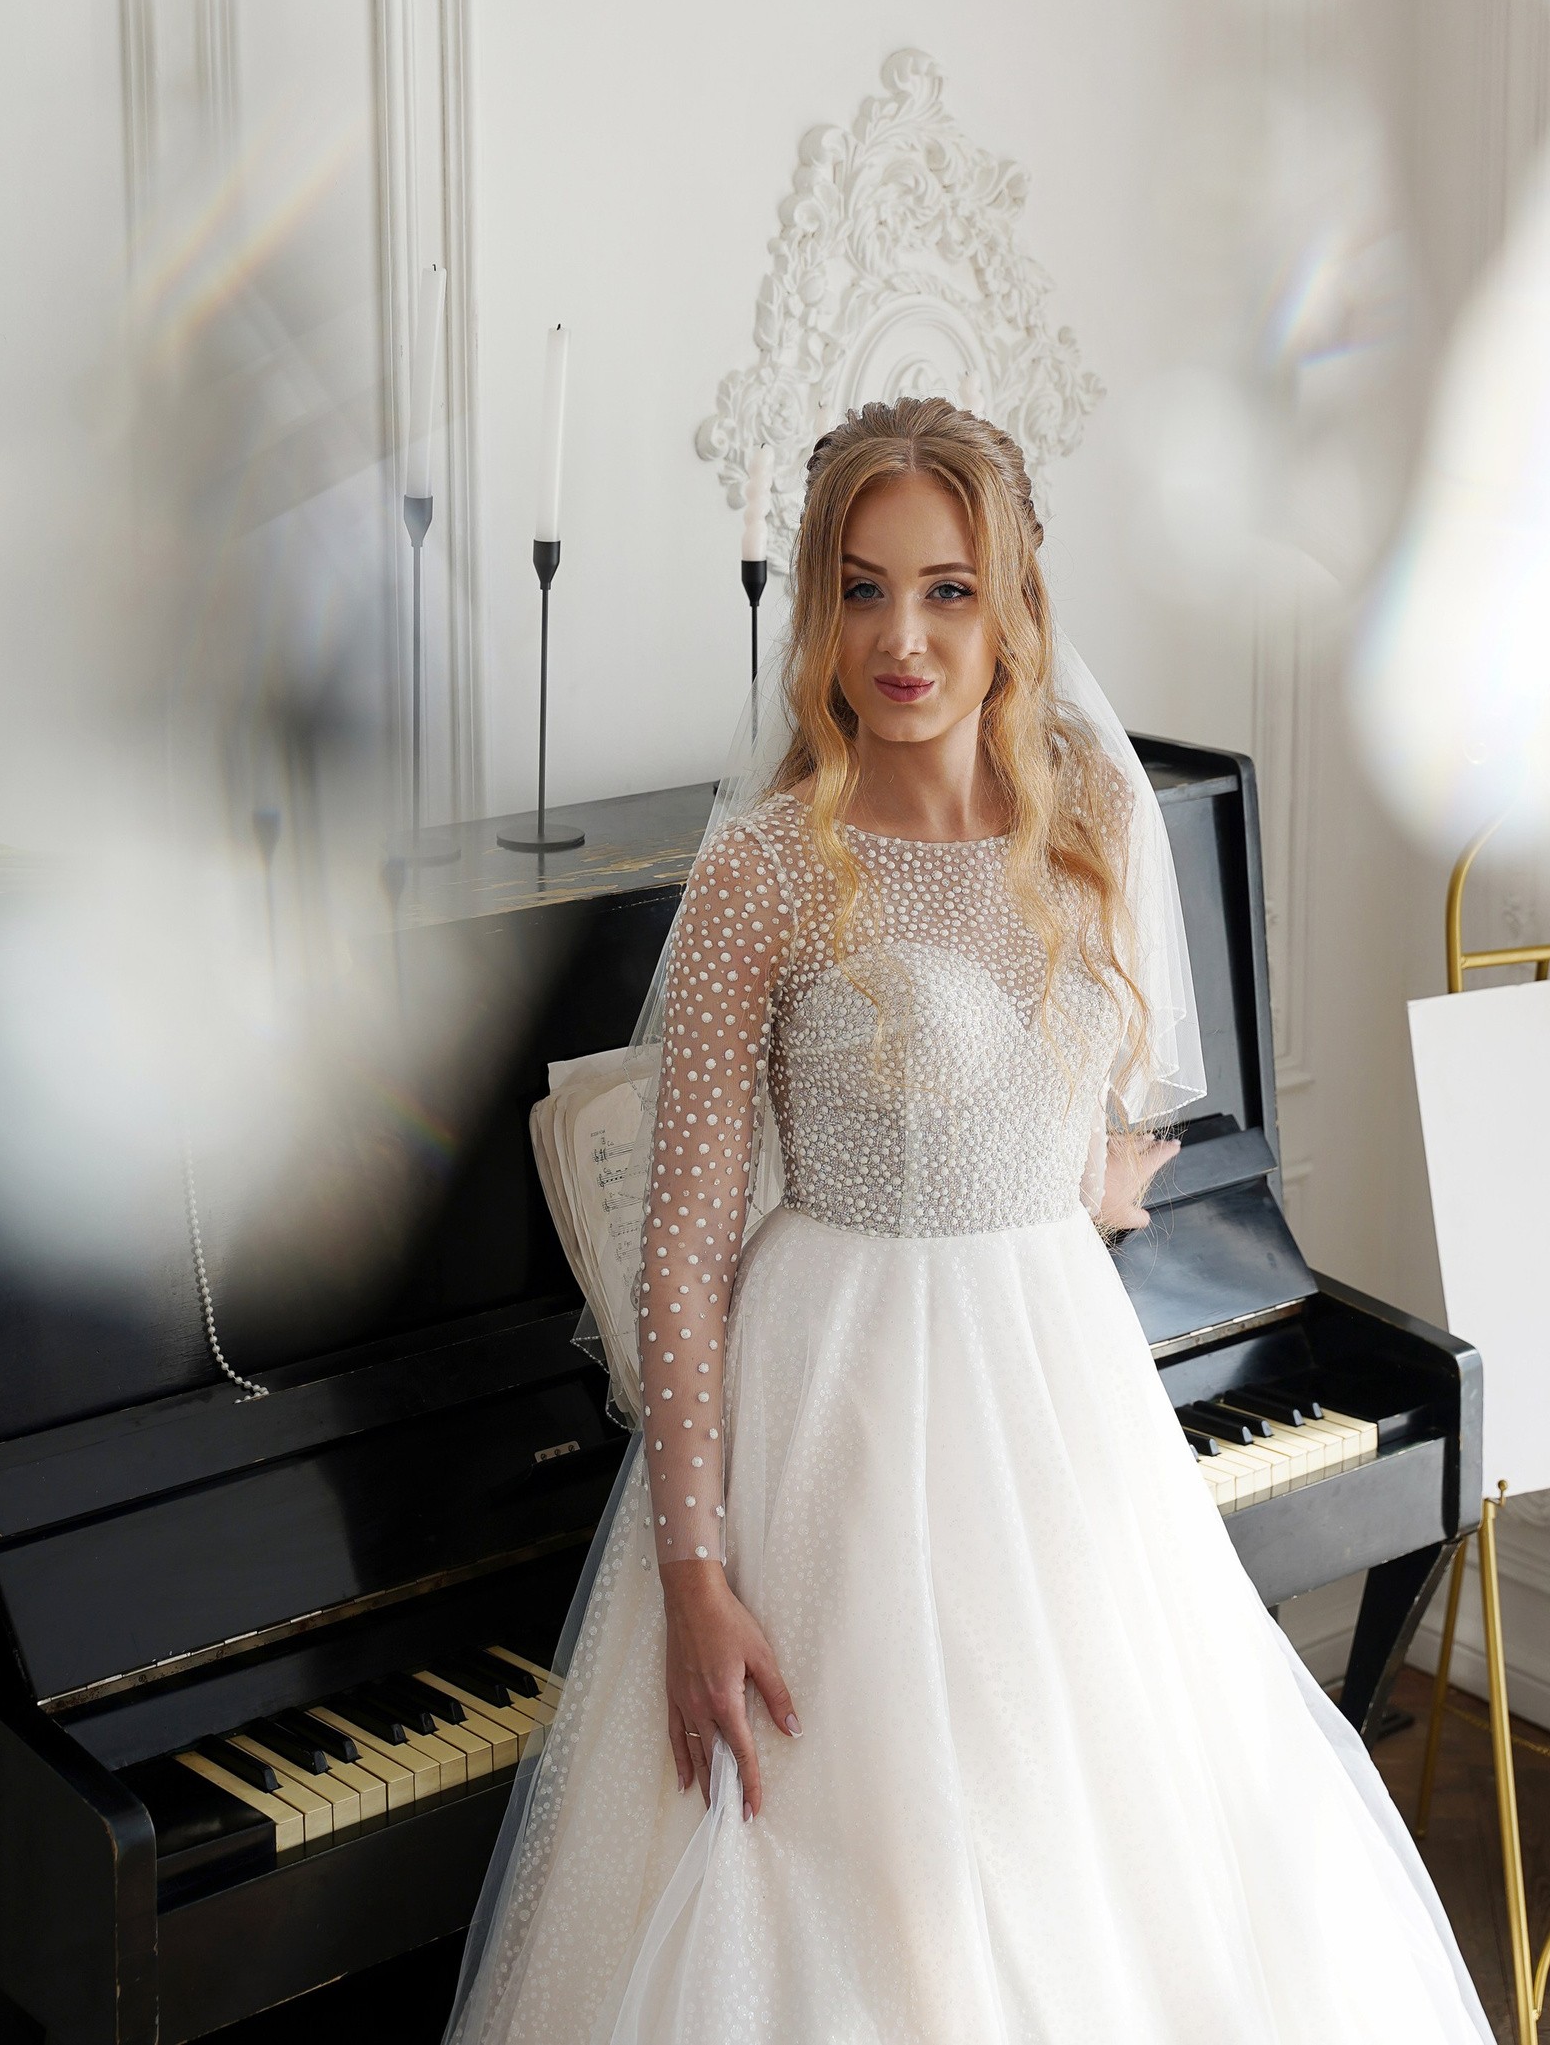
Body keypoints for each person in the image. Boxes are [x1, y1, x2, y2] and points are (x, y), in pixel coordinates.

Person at [447, 398, 1492, 2045]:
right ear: (820, 604)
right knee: (869, 1891)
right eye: (863, 589)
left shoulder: (1092, 827)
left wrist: (1085, 1192)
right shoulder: (765, 869)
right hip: (834, 1413)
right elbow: (685, 1239)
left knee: (1084, 1857)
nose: (903, 638)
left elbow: (1069, 1123)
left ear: (1010, 603)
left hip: (1052, 1401)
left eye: (947, 589)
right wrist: (698, 1572)